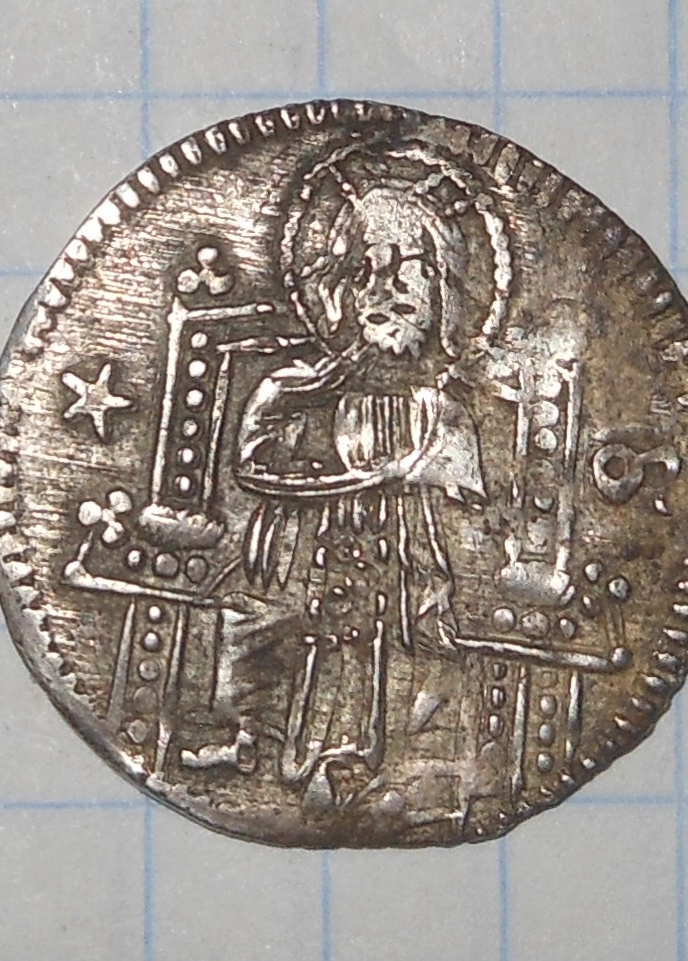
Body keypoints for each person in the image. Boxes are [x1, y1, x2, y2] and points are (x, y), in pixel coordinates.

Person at [232, 178, 486, 822]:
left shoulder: (443, 410)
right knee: (307, 642)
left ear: (443, 291)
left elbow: (468, 501)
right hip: (325, 576)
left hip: (405, 584)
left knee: (406, 656)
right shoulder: (308, 390)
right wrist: (302, 398)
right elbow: (254, 461)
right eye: (363, 271)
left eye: (405, 270)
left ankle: (399, 768)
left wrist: (403, 474)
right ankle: (297, 755)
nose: (381, 289)